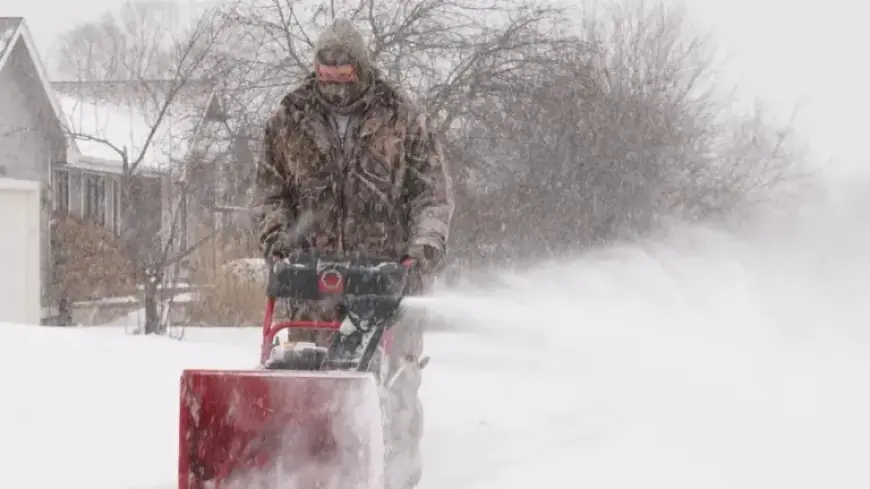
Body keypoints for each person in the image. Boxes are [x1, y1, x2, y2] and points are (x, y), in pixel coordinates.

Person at [251, 17, 454, 489]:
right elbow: (267, 193)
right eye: (326, 78)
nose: (336, 90)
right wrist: (277, 238)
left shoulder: (402, 116)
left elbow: (433, 197)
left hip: (387, 285)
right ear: (316, 70)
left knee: (394, 397)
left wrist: (420, 251)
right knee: (308, 399)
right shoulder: (290, 118)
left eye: (345, 80)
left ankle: (395, 480)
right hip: (310, 287)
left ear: (362, 70)